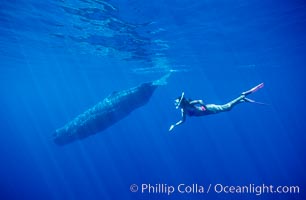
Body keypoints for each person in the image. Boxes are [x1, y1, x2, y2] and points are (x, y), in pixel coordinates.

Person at [169, 83, 265, 131]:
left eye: (179, 103)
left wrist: (204, 107)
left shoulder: (190, 104)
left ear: (182, 102)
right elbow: (183, 121)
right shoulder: (183, 110)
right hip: (208, 112)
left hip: (210, 109)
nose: (178, 105)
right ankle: (242, 100)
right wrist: (174, 125)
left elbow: (200, 100)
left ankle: (242, 95)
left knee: (227, 107)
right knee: (228, 108)